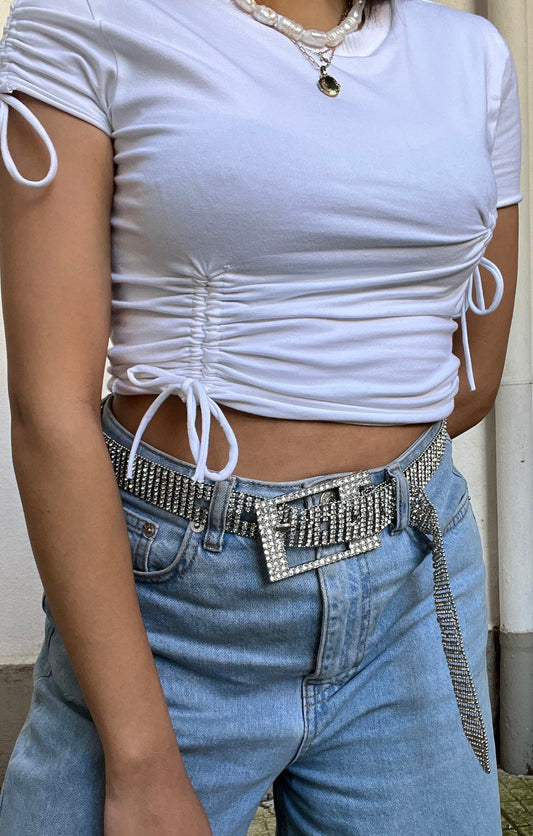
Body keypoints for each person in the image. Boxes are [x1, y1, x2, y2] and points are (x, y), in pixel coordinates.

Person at [0, 0, 521, 833]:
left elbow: (469, 375)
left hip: (413, 582)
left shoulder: (473, 54)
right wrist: (140, 759)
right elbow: (48, 410)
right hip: (173, 604)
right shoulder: (89, 19)